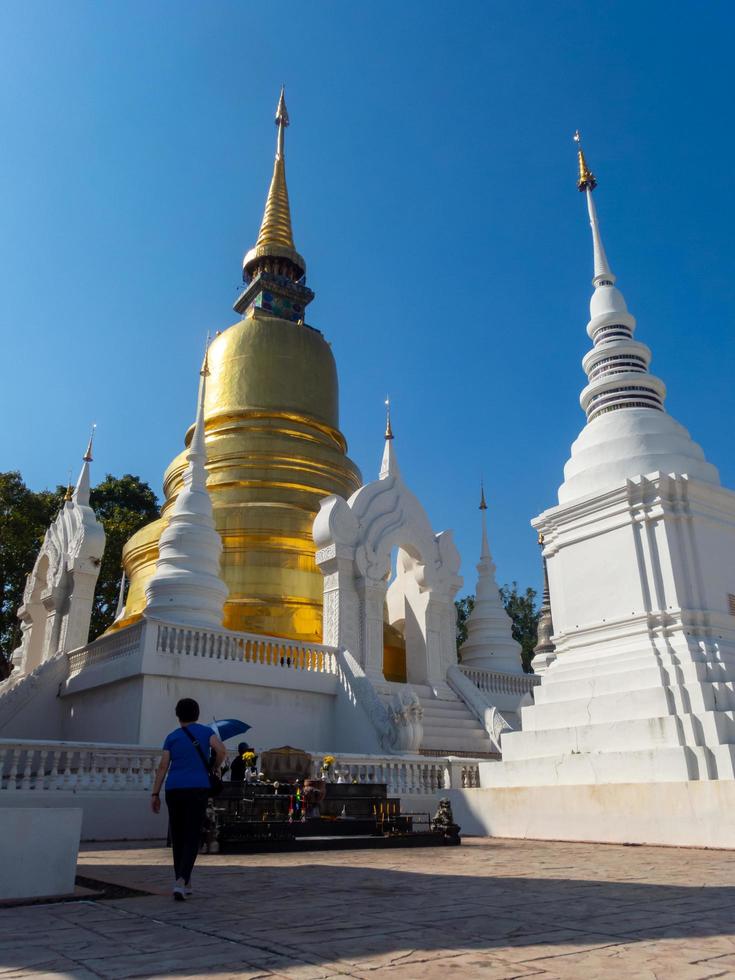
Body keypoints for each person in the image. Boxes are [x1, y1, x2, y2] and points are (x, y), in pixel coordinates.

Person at [150, 698, 226, 901]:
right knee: (192, 835)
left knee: (178, 835)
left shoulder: (172, 737)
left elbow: (163, 766)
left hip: (174, 788)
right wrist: (213, 765)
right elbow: (222, 751)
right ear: (197, 714)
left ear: (178, 715)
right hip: (197, 788)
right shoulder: (205, 732)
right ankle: (181, 880)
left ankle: (183, 880)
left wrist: (155, 793)